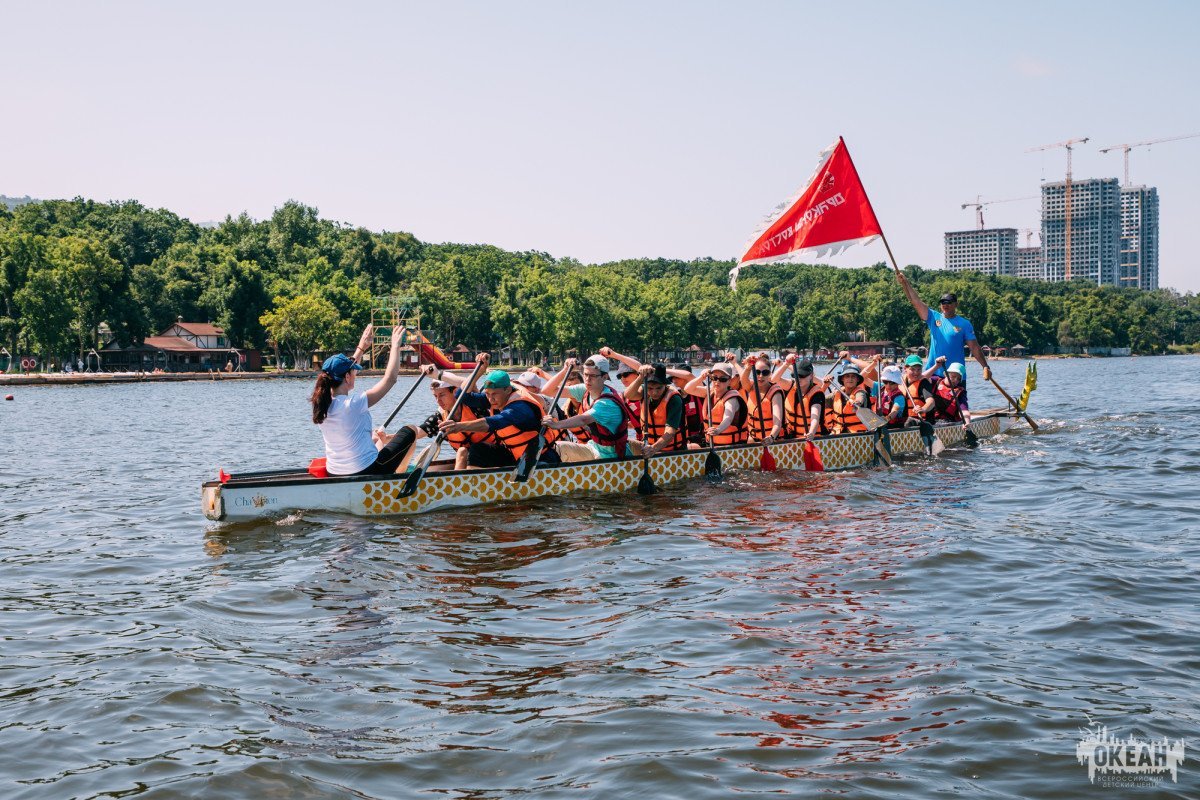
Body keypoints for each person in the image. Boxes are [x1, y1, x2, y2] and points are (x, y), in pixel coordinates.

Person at [311, 324, 424, 475]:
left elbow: (347, 369)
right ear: (347, 377)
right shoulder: (354, 404)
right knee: (410, 430)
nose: (355, 374)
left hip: (334, 472)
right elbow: (390, 379)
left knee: (376, 438)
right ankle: (399, 476)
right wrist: (395, 346)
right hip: (367, 470)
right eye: (354, 372)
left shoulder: (321, 404)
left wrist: (362, 347)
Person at [438, 369, 562, 468]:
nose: (490, 399)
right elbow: (462, 395)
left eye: (494, 394)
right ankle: (470, 484)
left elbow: (493, 422)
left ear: (508, 390)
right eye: (487, 393)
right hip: (514, 456)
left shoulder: (520, 406)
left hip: (540, 458)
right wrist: (479, 371)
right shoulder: (495, 398)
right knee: (478, 449)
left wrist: (458, 426)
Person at [895, 274, 992, 382]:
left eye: (949, 302)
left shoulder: (965, 324)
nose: (945, 305)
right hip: (934, 373)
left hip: (956, 375)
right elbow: (915, 301)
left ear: (956, 304)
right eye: (942, 302)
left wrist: (985, 366)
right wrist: (905, 283)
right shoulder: (933, 317)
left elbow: (974, 347)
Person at [542, 355, 636, 461]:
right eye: (585, 374)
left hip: (611, 457)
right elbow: (547, 391)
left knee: (559, 448)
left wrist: (556, 425)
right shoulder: (585, 390)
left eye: (593, 376)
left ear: (605, 377)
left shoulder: (607, 403)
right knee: (555, 446)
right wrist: (565, 370)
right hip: (594, 447)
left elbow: (584, 419)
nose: (587, 379)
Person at [419, 363, 495, 470]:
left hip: (495, 453)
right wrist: (396, 437)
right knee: (462, 451)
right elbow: (418, 432)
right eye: (435, 396)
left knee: (465, 451)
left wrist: (438, 374)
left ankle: (462, 478)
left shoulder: (473, 404)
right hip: (471, 458)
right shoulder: (440, 417)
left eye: (442, 395)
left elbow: (470, 385)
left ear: (455, 392)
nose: (438, 401)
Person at [625, 363, 685, 455]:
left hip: (674, 451)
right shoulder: (644, 389)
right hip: (649, 446)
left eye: (659, 388)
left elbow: (670, 432)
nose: (654, 392)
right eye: (650, 388)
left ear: (665, 384)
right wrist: (641, 377)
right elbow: (628, 395)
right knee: (622, 444)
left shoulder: (674, 399)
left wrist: (653, 449)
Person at [683, 362, 748, 446]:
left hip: (730, 446)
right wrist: (701, 377)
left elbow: (728, 418)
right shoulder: (709, 391)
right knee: (688, 446)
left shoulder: (732, 399)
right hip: (710, 443)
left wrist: (718, 430)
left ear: (729, 381)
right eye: (714, 378)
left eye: (723, 379)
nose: (717, 381)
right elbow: (687, 389)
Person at [740, 353, 785, 444]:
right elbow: (743, 380)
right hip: (753, 437)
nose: (761, 376)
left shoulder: (775, 393)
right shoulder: (751, 387)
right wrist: (748, 367)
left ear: (770, 374)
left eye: (765, 373)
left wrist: (771, 437)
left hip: (773, 439)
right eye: (757, 372)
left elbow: (777, 422)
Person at [779, 356, 826, 440]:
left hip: (811, 436)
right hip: (791, 436)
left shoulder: (816, 394)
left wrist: (811, 432)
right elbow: (774, 379)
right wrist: (786, 364)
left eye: (802, 376)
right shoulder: (790, 387)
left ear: (811, 376)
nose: (799, 379)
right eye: (796, 376)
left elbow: (815, 418)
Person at [827, 364, 870, 435]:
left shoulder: (860, 392)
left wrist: (857, 402)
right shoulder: (836, 393)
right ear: (842, 379)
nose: (850, 379)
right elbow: (820, 398)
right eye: (847, 376)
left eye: (853, 376)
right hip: (838, 431)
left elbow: (860, 398)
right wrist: (825, 385)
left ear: (857, 379)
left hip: (857, 433)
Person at [926, 360, 972, 425]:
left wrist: (966, 422)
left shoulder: (960, 392)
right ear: (946, 374)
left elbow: (964, 411)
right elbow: (922, 378)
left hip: (948, 421)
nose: (955, 380)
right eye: (953, 376)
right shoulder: (935, 381)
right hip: (931, 419)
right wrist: (936, 366)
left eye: (958, 379)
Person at [902, 354, 936, 423]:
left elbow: (931, 401)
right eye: (912, 369)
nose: (916, 372)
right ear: (905, 368)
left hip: (923, 421)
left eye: (919, 369)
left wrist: (923, 409)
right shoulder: (900, 380)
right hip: (904, 420)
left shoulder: (924, 383)